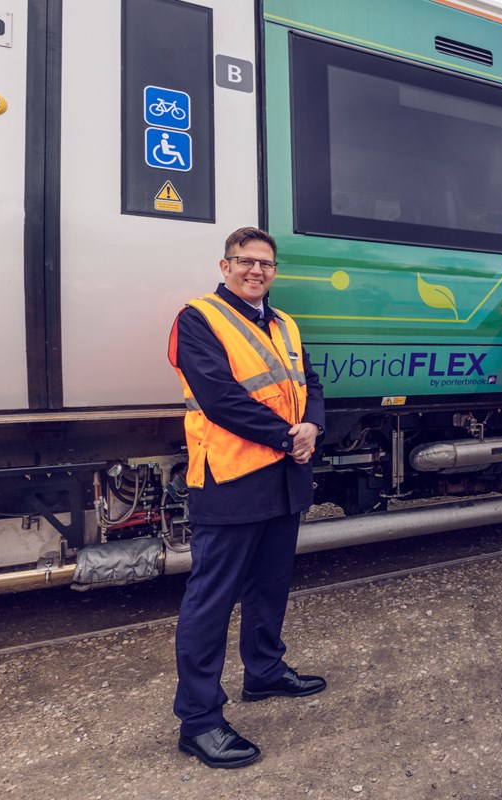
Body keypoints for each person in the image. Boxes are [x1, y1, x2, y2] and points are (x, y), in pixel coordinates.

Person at [166, 227, 327, 769]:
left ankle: (264, 672)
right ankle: (199, 720)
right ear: (226, 264)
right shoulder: (198, 318)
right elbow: (218, 396)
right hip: (231, 481)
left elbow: (313, 384)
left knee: (270, 585)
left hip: (284, 478)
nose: (256, 270)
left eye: (266, 264)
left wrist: (312, 427)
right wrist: (288, 435)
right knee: (211, 600)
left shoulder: (285, 324)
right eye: (246, 261)